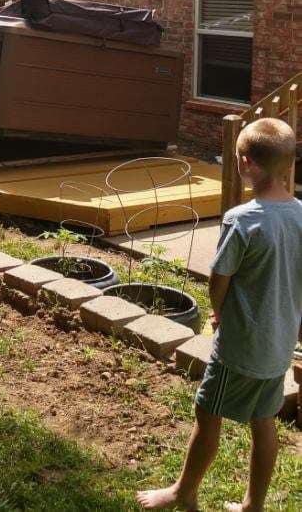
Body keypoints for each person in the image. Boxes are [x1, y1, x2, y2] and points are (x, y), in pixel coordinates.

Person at [137, 117, 302, 512]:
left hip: (242, 346)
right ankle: (253, 506)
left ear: (245, 163)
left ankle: (183, 492)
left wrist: (218, 312)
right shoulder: (300, 215)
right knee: (264, 422)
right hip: (280, 344)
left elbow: (219, 277)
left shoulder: (242, 220)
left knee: (207, 411)